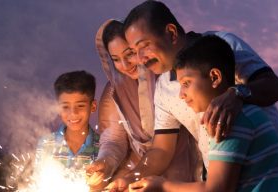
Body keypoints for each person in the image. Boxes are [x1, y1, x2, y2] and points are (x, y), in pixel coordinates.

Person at [121, 0, 278, 190]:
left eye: (144, 45)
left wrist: (236, 94)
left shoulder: (221, 46)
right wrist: (129, 179)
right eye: (134, 51)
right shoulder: (163, 87)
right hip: (223, 172)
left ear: (171, 33)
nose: (140, 59)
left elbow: (275, 87)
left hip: (267, 170)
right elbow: (161, 149)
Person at [85, 19, 200, 191]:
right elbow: (114, 138)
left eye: (129, 54)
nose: (124, 65)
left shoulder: (169, 80)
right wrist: (105, 162)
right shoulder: (115, 90)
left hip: (184, 169)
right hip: (140, 170)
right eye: (116, 59)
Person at [36, 70, 99, 170]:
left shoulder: (103, 146)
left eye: (80, 106)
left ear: (93, 106)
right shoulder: (47, 143)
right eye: (65, 107)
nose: (73, 113)